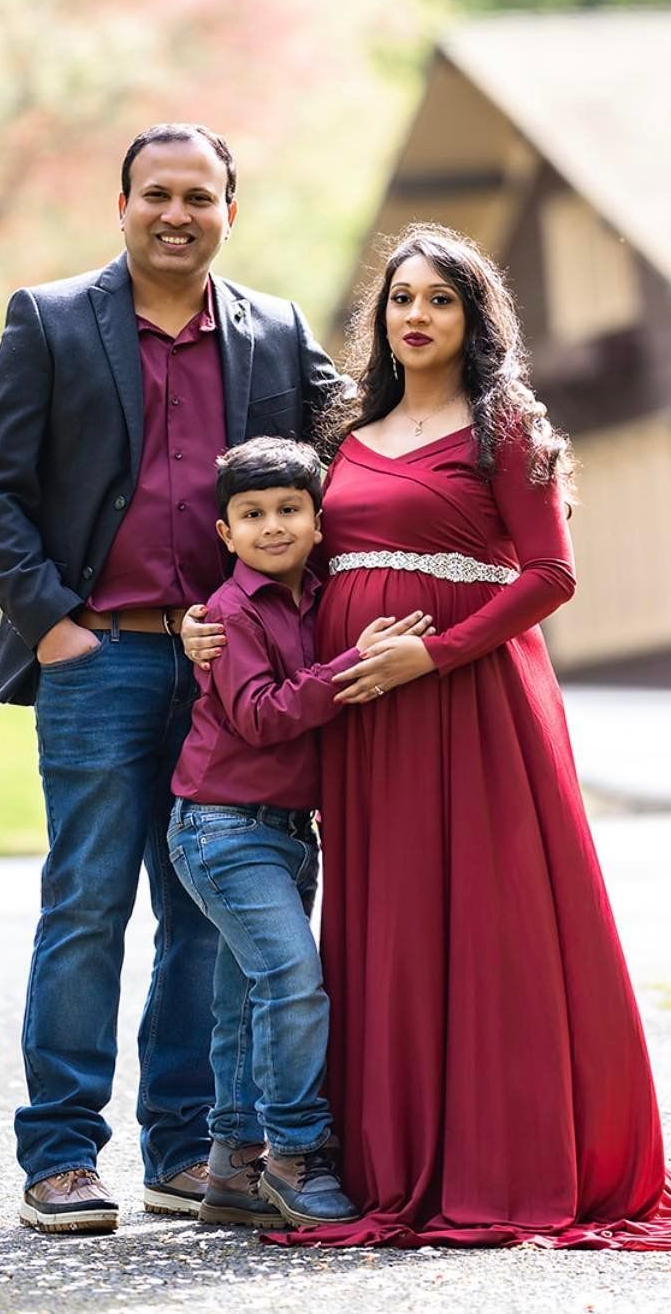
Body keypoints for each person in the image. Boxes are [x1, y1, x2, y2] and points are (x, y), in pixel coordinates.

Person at [184, 223, 671, 1250]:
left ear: (473, 317)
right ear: (379, 318)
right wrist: (202, 619)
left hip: (475, 705)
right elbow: (282, 553)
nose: (418, 315)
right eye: (401, 299)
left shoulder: (506, 424)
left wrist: (431, 656)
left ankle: (509, 1152)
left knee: (496, 918)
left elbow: (550, 575)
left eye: (441, 298)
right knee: (388, 926)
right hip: (368, 726)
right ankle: (394, 1158)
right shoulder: (344, 429)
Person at [0, 122, 343, 1235]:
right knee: (87, 900)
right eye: (157, 193)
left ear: (233, 210)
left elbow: (359, 447)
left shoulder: (274, 331)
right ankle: (62, 1155)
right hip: (102, 653)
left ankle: (186, 1152)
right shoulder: (50, 319)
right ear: (122, 204)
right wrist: (56, 625)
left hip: (231, 666)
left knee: (204, 914)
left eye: (201, 196)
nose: (178, 212)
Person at [167, 435, 432, 1231]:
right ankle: (294, 1151)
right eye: (252, 514)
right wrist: (354, 664)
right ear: (225, 533)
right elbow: (259, 714)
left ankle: (231, 1164)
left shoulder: (325, 597)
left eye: (289, 510)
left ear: (320, 521)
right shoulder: (226, 614)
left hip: (286, 831)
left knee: (247, 997)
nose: (272, 526)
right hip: (220, 827)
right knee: (291, 980)